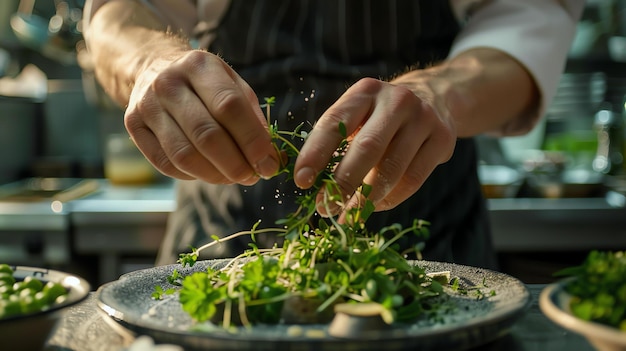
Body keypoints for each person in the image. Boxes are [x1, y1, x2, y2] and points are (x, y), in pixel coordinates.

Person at [82, 0, 584, 268]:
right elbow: (118, 14)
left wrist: (439, 95)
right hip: (220, 238)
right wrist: (149, 61)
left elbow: (529, 22)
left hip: (429, 248)